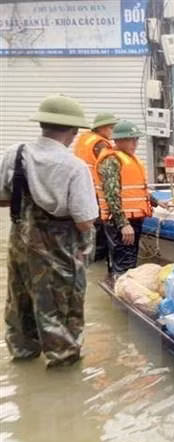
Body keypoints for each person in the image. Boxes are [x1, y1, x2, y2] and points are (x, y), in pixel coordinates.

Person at [0, 94, 98, 367]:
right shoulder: (74, 167)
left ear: (42, 124)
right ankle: (64, 371)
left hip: (20, 245)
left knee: (20, 303)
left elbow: (3, 199)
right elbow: (85, 221)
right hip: (60, 250)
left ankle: (23, 355)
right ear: (74, 131)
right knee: (60, 308)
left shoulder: (15, 154)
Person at [95, 120, 161, 279]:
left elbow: (133, 189)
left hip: (132, 219)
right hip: (121, 222)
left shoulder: (127, 159)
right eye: (131, 139)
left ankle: (116, 291)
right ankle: (120, 297)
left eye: (136, 139)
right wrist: (123, 224)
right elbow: (112, 195)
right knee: (124, 265)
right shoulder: (112, 161)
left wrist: (155, 202)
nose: (135, 143)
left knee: (127, 263)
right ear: (118, 140)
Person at [74, 112, 119, 262]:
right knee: (100, 224)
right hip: (96, 189)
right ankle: (98, 256)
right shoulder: (101, 144)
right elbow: (108, 169)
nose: (114, 131)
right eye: (112, 128)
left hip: (83, 187)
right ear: (103, 128)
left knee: (89, 222)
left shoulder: (84, 139)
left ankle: (86, 254)